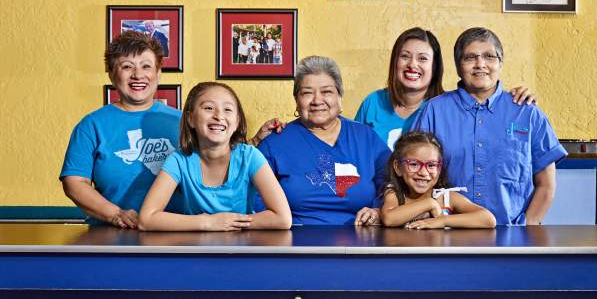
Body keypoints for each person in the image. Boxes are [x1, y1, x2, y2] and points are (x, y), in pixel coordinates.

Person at [410, 27, 567, 225]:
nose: (480, 64)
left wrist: (527, 227)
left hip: (512, 236)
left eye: (489, 56)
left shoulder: (527, 113)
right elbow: (412, 175)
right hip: (447, 234)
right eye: (470, 58)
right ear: (458, 67)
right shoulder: (434, 111)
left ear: (500, 63)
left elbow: (546, 185)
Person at [60, 31, 181, 228]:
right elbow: (74, 183)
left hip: (176, 234)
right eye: (127, 67)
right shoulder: (91, 126)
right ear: (111, 73)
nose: (138, 75)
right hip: (109, 236)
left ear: (158, 73)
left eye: (146, 66)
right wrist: (115, 214)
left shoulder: (183, 121)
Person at [138, 82, 291, 231]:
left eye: (227, 109)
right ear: (190, 119)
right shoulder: (179, 160)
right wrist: (209, 222)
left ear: (237, 121)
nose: (219, 116)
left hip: (242, 250)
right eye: (209, 108)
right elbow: (146, 219)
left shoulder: (250, 157)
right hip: (195, 249)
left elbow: (282, 218)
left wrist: (230, 222)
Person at [257, 56, 391, 225]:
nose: (317, 101)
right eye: (307, 93)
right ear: (296, 101)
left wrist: (380, 211)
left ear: (339, 97)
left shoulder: (365, 137)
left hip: (361, 241)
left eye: (326, 92)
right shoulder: (275, 143)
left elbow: (392, 182)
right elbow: (256, 200)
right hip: (295, 242)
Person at [354, 27, 535, 150]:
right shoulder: (373, 103)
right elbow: (354, 154)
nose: (412, 65)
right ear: (395, 61)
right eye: (405, 56)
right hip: (374, 202)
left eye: (423, 59)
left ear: (435, 67)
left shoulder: (443, 109)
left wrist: (517, 98)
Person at [380, 131, 496, 229]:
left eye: (431, 165)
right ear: (398, 167)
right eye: (414, 164)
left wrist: (443, 221)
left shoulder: (446, 198)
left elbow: (488, 219)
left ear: (440, 169)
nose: (423, 173)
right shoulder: (395, 194)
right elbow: (389, 219)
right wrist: (429, 204)